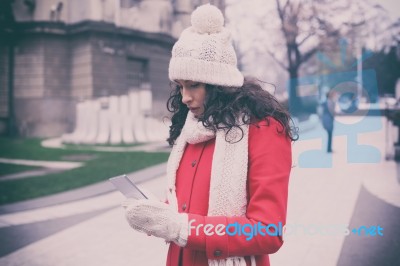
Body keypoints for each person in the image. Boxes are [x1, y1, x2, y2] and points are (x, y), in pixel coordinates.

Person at [122, 4, 297, 266]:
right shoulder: (190, 129)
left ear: (219, 85)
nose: (185, 97)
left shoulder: (264, 129)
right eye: (180, 86)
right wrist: (156, 211)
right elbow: (186, 208)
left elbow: (268, 231)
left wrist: (180, 227)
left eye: (193, 85)